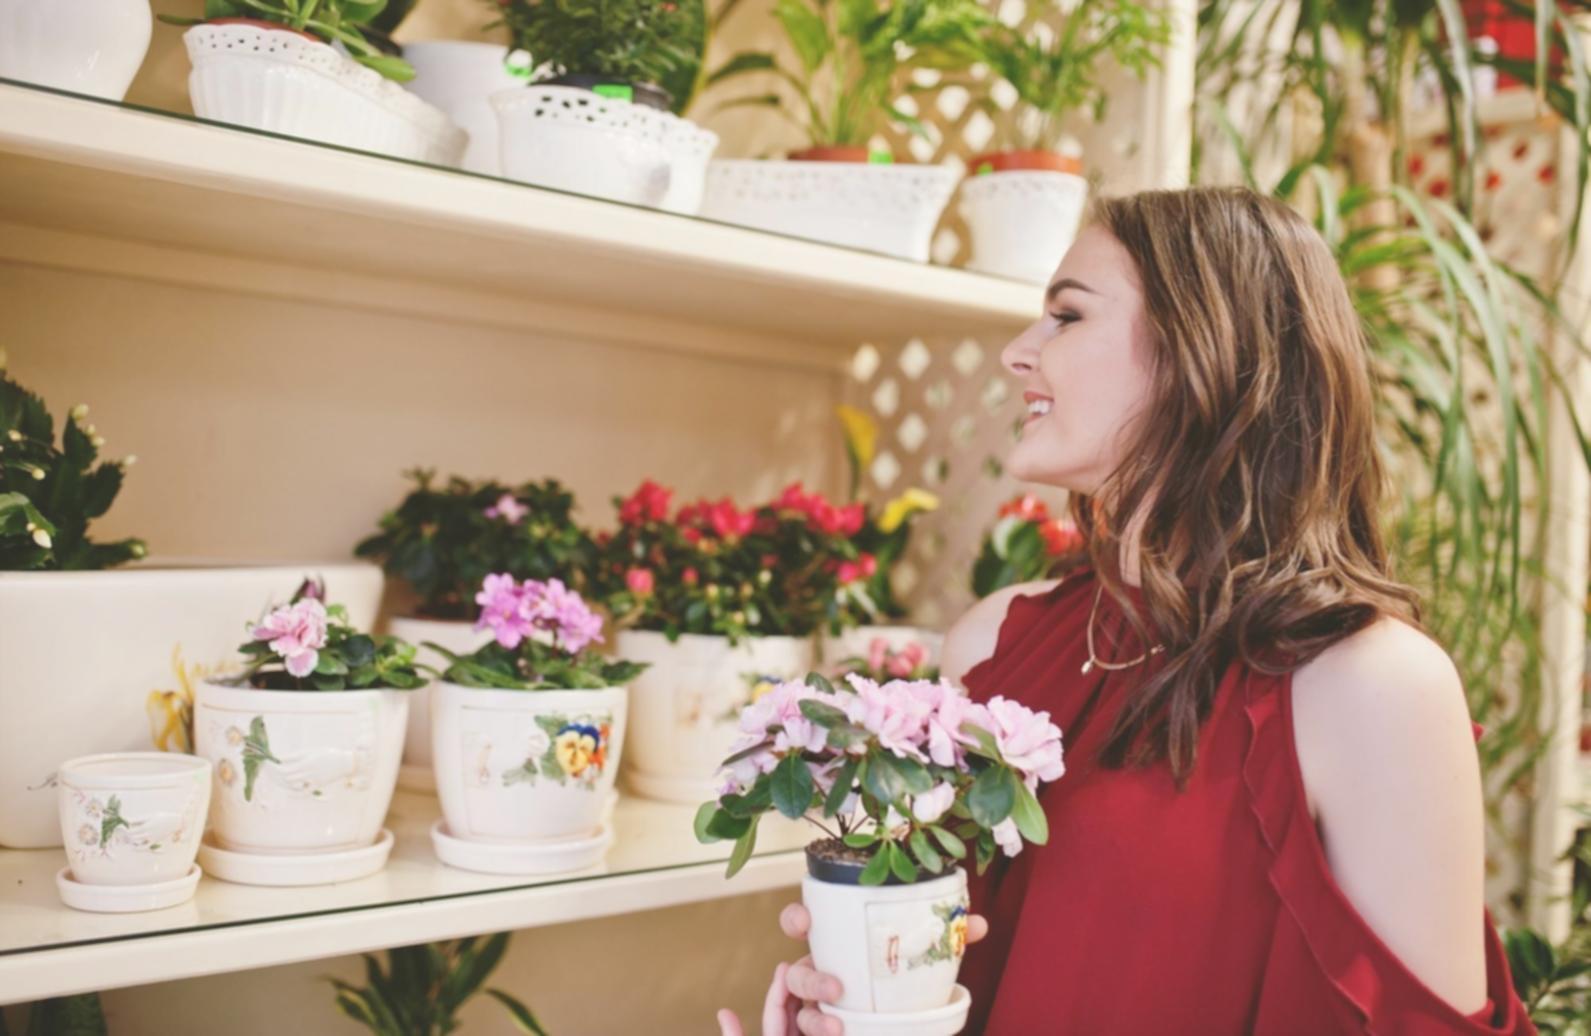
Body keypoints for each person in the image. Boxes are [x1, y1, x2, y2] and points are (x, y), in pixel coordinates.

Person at [717, 187, 1537, 1035]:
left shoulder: (1373, 685)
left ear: (1203, 348)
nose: (1016, 353)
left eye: (1067, 317)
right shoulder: (991, 643)